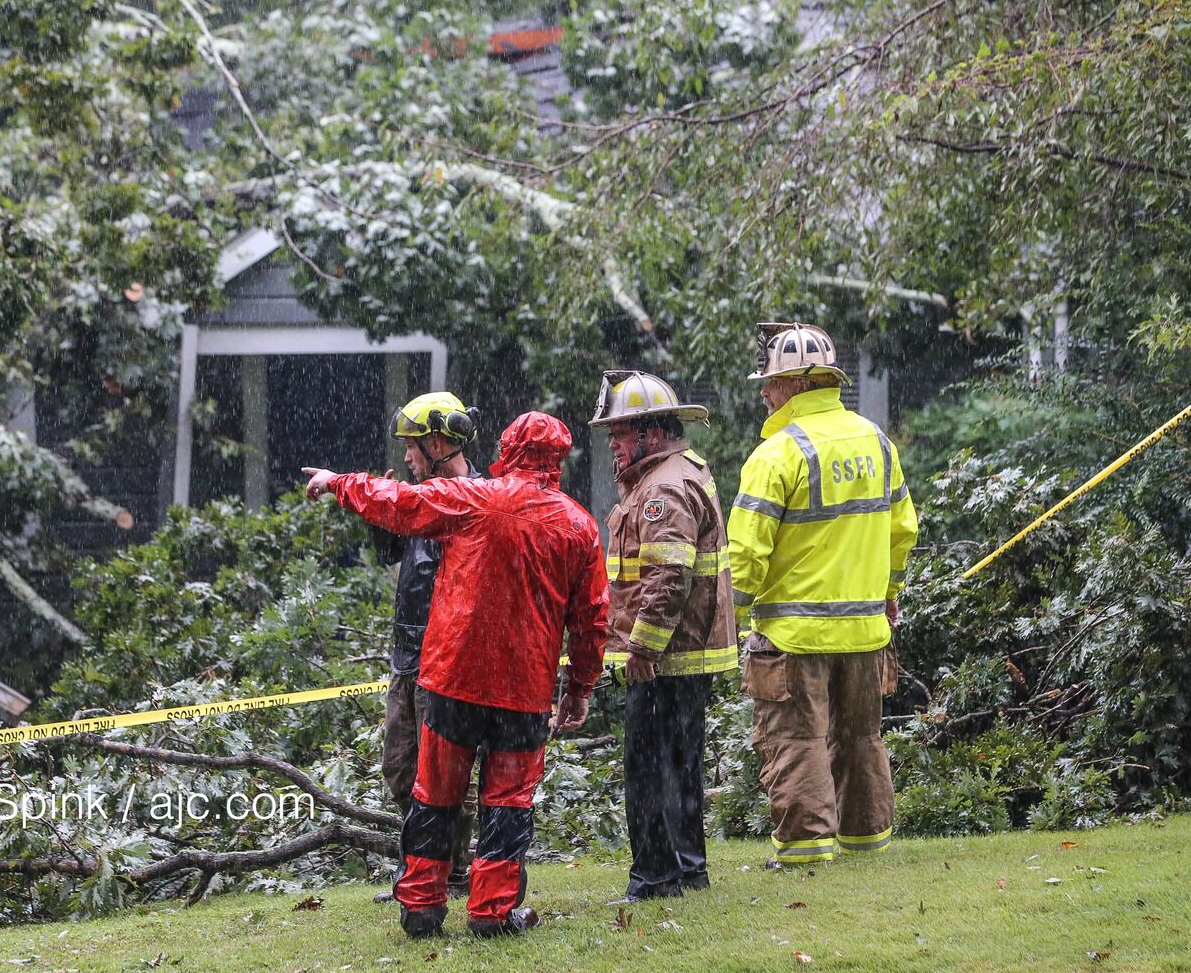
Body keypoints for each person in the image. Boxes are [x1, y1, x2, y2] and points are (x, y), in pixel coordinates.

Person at [302, 411, 607, 939]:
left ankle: (421, 905)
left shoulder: (471, 499)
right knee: (507, 802)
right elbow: (592, 620)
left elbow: (397, 502)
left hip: (451, 680)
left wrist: (338, 482)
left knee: (434, 793)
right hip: (522, 691)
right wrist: (578, 689)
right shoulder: (578, 525)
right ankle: (491, 912)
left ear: (507, 450)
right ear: (559, 460)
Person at [727, 323, 918, 866]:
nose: (764, 392)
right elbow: (902, 530)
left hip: (794, 636)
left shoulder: (776, 456)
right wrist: (887, 593)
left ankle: (807, 848)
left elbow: (745, 555)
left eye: (771, 383)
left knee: (796, 741)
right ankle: (865, 839)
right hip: (864, 631)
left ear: (796, 385)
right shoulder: (875, 442)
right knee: (861, 738)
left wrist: (729, 621)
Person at [589, 370, 738, 902]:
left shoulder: (662, 490)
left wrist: (642, 648)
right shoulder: (676, 474)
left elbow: (669, 576)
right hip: (681, 653)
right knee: (679, 766)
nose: (613, 444)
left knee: (650, 771)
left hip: (664, 657)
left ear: (651, 433)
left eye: (621, 434)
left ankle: (655, 876)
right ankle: (687, 870)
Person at [377, 392, 483, 900]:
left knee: (443, 774)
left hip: (450, 659)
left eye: (412, 447)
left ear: (439, 443)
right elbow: (384, 553)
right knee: (400, 766)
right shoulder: (419, 497)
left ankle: (450, 872)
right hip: (407, 656)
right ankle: (424, 863)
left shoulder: (479, 499)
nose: (406, 457)